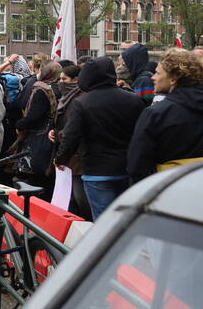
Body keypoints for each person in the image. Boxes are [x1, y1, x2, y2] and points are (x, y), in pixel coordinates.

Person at [54, 57, 145, 220]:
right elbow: (141, 134)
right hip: (127, 167)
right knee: (125, 219)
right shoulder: (134, 99)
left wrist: (60, 158)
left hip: (97, 169)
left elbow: (72, 136)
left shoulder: (82, 103)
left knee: (103, 220)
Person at [127, 49, 203, 181]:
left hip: (170, 191)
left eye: (158, 73)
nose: (153, 77)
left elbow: (137, 165)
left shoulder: (157, 114)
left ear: (173, 78)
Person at [48, 64, 91, 220]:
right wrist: (55, 132)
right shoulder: (67, 97)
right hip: (69, 156)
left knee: (81, 201)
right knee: (70, 199)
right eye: (59, 79)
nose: (60, 83)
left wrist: (60, 153)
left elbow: (74, 131)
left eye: (64, 79)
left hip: (76, 158)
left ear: (76, 80)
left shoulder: (79, 99)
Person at [14, 61, 62, 197]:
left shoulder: (42, 90)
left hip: (39, 135)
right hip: (52, 133)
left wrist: (20, 125)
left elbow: (34, 115)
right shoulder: (59, 88)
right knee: (48, 177)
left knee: (36, 176)